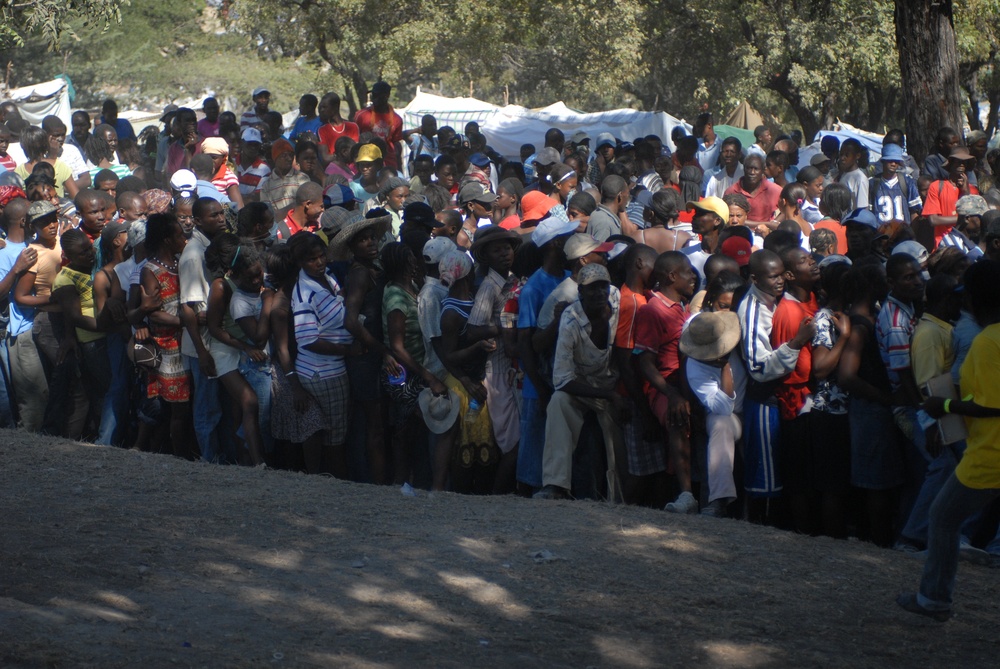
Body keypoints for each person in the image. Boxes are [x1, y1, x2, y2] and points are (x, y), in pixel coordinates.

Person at [897, 259, 1000, 621]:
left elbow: (990, 406)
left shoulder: (989, 342)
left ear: (974, 299)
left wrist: (942, 404)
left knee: (942, 516)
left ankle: (934, 599)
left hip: (991, 454)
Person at [534, 263, 625, 501]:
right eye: (591, 288)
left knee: (618, 441)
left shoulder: (616, 299)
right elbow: (562, 380)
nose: (599, 293)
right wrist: (609, 395)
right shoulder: (570, 320)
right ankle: (555, 484)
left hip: (609, 382)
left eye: (603, 286)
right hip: (580, 385)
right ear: (580, 292)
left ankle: (619, 498)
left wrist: (615, 391)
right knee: (559, 402)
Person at [737, 250, 814, 519]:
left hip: (779, 399)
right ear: (755, 279)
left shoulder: (777, 300)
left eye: (781, 274)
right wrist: (796, 343)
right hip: (762, 401)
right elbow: (758, 367)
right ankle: (758, 532)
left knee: (780, 473)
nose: (779, 281)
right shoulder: (752, 309)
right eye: (772, 277)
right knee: (764, 480)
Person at [289, 232, 360, 476]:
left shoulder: (327, 278)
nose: (319, 262)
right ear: (300, 263)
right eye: (312, 259)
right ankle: (333, 484)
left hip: (328, 369)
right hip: (324, 372)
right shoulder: (304, 294)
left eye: (322, 256)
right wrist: (347, 350)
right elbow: (308, 339)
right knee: (335, 437)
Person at [516, 216, 577, 491]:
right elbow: (526, 344)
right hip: (538, 382)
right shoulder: (532, 289)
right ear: (556, 243)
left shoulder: (568, 278)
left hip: (563, 375)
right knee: (534, 446)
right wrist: (539, 388)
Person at [635, 251, 699, 512]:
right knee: (678, 417)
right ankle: (686, 495)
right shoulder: (654, 310)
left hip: (685, 382)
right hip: (664, 386)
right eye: (688, 272)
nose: (694, 276)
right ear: (672, 276)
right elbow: (644, 363)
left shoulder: (683, 306)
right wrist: (671, 394)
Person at [179, 197, 230, 463]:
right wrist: (202, 352)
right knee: (207, 406)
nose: (221, 219)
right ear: (197, 221)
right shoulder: (193, 255)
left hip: (214, 339)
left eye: (222, 214)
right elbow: (188, 308)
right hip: (203, 344)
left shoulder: (211, 246)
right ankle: (210, 461)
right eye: (214, 216)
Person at [683, 309, 746, 517]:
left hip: (749, 407)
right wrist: (725, 368)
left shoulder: (727, 332)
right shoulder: (695, 367)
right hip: (725, 414)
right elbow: (724, 408)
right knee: (721, 424)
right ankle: (719, 499)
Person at [138, 213, 191, 457]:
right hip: (168, 348)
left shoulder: (182, 262)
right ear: (168, 240)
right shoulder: (150, 271)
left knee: (183, 406)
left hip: (186, 342)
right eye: (180, 235)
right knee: (176, 409)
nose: (184, 238)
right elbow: (155, 314)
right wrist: (187, 321)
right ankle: (178, 455)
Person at [923, 147, 981, 248]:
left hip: (966, 246)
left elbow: (974, 223)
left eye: (965, 162)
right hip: (944, 246)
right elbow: (933, 220)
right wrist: (960, 219)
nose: (961, 165)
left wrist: (966, 192)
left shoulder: (973, 190)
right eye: (957, 161)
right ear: (951, 164)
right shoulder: (936, 186)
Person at [725, 154, 781, 233]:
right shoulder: (732, 191)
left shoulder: (773, 190)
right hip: (738, 234)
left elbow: (789, 208)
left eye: (756, 169)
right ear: (744, 169)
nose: (752, 172)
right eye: (749, 168)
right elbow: (727, 218)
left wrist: (775, 222)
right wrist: (768, 224)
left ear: (763, 170)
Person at [354, 81, 404, 170]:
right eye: (373, 95)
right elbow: (354, 141)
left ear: (387, 96)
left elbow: (397, 144)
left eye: (377, 95)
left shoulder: (397, 119)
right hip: (366, 164)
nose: (374, 98)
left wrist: (399, 169)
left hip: (389, 164)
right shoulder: (361, 115)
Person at [870, 143, 922, 225]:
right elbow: (869, 213)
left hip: (903, 234)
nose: (893, 164)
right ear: (883, 161)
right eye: (890, 160)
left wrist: (912, 234)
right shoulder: (872, 184)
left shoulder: (908, 182)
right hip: (880, 235)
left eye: (896, 161)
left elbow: (914, 213)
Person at [259, 139, 310, 217]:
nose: (289, 159)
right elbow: (268, 214)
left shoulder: (302, 178)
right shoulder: (266, 186)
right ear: (275, 158)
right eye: (284, 155)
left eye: (291, 155)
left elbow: (307, 205)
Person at [317, 92, 360, 167]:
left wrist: (335, 156)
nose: (321, 110)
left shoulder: (352, 126)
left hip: (354, 169)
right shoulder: (322, 130)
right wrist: (344, 154)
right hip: (336, 170)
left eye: (325, 107)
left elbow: (356, 152)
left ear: (335, 107)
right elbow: (325, 158)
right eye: (320, 107)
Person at [836, 138, 869, 210]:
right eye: (841, 154)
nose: (842, 158)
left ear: (857, 156)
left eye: (847, 155)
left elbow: (862, 209)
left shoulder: (860, 179)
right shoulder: (843, 175)